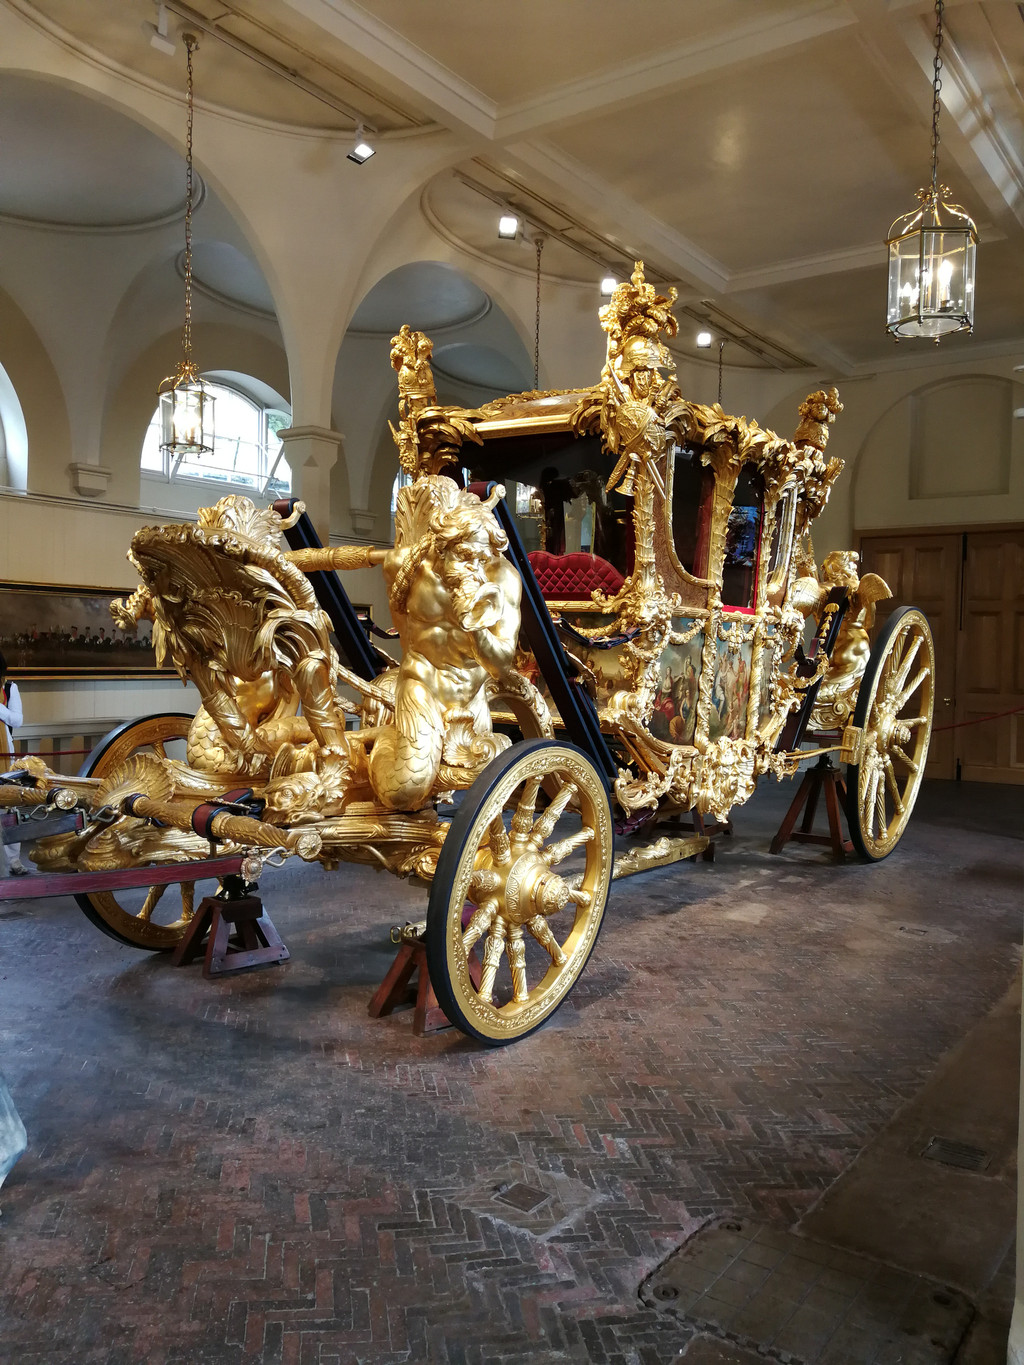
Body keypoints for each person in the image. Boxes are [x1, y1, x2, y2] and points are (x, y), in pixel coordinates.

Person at [0, 651, 27, 876]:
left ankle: (14, 861)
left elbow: (17, 721)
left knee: (8, 805)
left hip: (3, 753)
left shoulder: (10, 688)